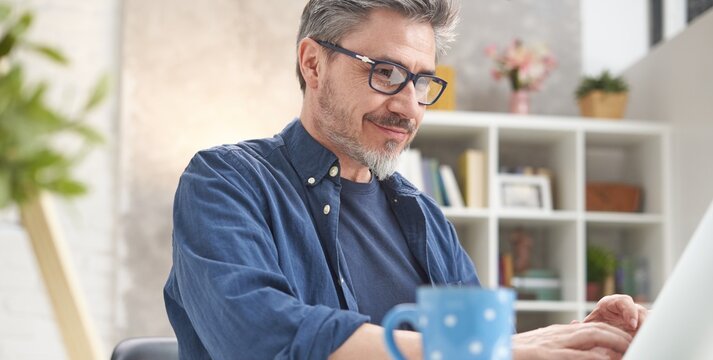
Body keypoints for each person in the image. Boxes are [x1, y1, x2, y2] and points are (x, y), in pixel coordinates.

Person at [164, 1, 648, 359]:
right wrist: (504, 351)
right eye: (386, 72)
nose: (409, 106)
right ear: (313, 63)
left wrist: (575, 341)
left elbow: (479, 349)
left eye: (421, 82)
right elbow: (262, 338)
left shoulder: (424, 216)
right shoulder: (226, 182)